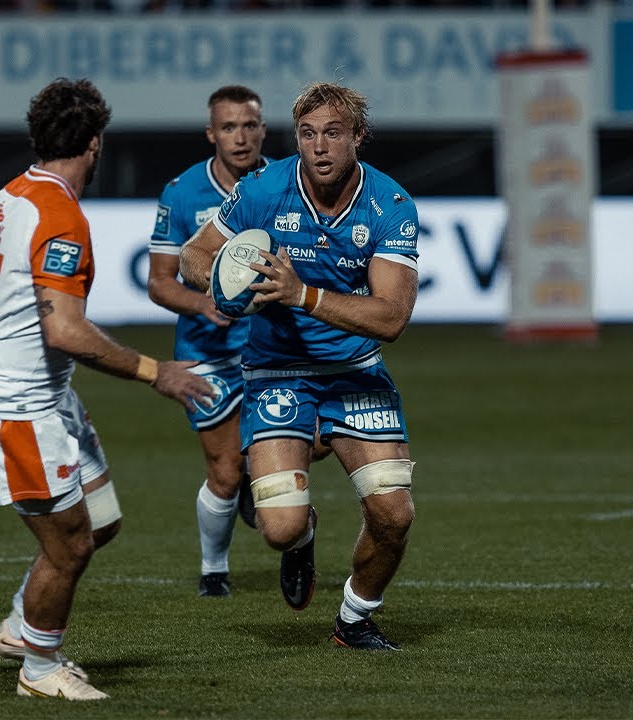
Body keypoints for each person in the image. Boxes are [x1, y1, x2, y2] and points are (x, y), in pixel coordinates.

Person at [0, 77, 217, 701]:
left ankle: (22, 626)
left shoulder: (8, 197)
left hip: (46, 399)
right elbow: (65, 331)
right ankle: (40, 670)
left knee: (100, 520)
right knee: (69, 544)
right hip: (19, 409)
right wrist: (158, 372)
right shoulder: (60, 217)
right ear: (95, 143)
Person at [179, 81, 419, 651]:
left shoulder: (391, 204)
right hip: (277, 371)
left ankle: (355, 618)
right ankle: (304, 533)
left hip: (356, 372)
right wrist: (222, 280)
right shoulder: (264, 187)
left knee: (394, 516)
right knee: (280, 528)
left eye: (333, 133)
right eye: (308, 134)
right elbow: (193, 254)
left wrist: (300, 295)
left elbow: (390, 318)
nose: (319, 147)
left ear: (358, 137)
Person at [146, 85, 269, 599]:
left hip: (272, 348)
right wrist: (202, 304)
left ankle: (256, 484)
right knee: (224, 469)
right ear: (210, 133)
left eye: (249, 126)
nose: (240, 138)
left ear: (262, 130)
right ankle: (213, 569)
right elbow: (159, 281)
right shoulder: (181, 194)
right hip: (206, 354)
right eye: (228, 127)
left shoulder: (284, 182)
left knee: (318, 441)